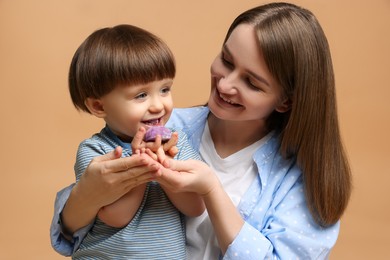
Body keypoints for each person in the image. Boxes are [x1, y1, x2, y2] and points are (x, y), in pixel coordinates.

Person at [51, 2, 352, 259]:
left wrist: (211, 188)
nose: (224, 85)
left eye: (252, 82)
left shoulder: (304, 180)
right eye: (226, 60)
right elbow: (71, 233)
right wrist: (86, 197)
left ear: (285, 101)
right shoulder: (164, 128)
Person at [52, 24, 205, 259]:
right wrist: (142, 163)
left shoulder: (176, 142)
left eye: (164, 89)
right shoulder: (97, 152)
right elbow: (116, 217)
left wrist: (164, 166)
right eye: (141, 95)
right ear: (99, 106)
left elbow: (195, 207)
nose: (158, 105)